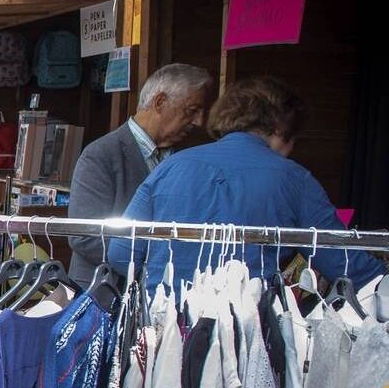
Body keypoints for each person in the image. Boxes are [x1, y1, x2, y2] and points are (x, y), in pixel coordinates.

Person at [108, 75, 386, 288]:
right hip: (248, 337)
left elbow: (121, 254)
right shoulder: (294, 178)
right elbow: (348, 268)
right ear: (280, 129)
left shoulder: (169, 167)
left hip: (161, 332)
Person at [68, 62, 213, 281]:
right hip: (104, 293)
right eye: (191, 111)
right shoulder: (100, 155)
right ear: (160, 102)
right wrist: (153, 262)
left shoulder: (186, 157)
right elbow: (85, 237)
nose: (199, 121)